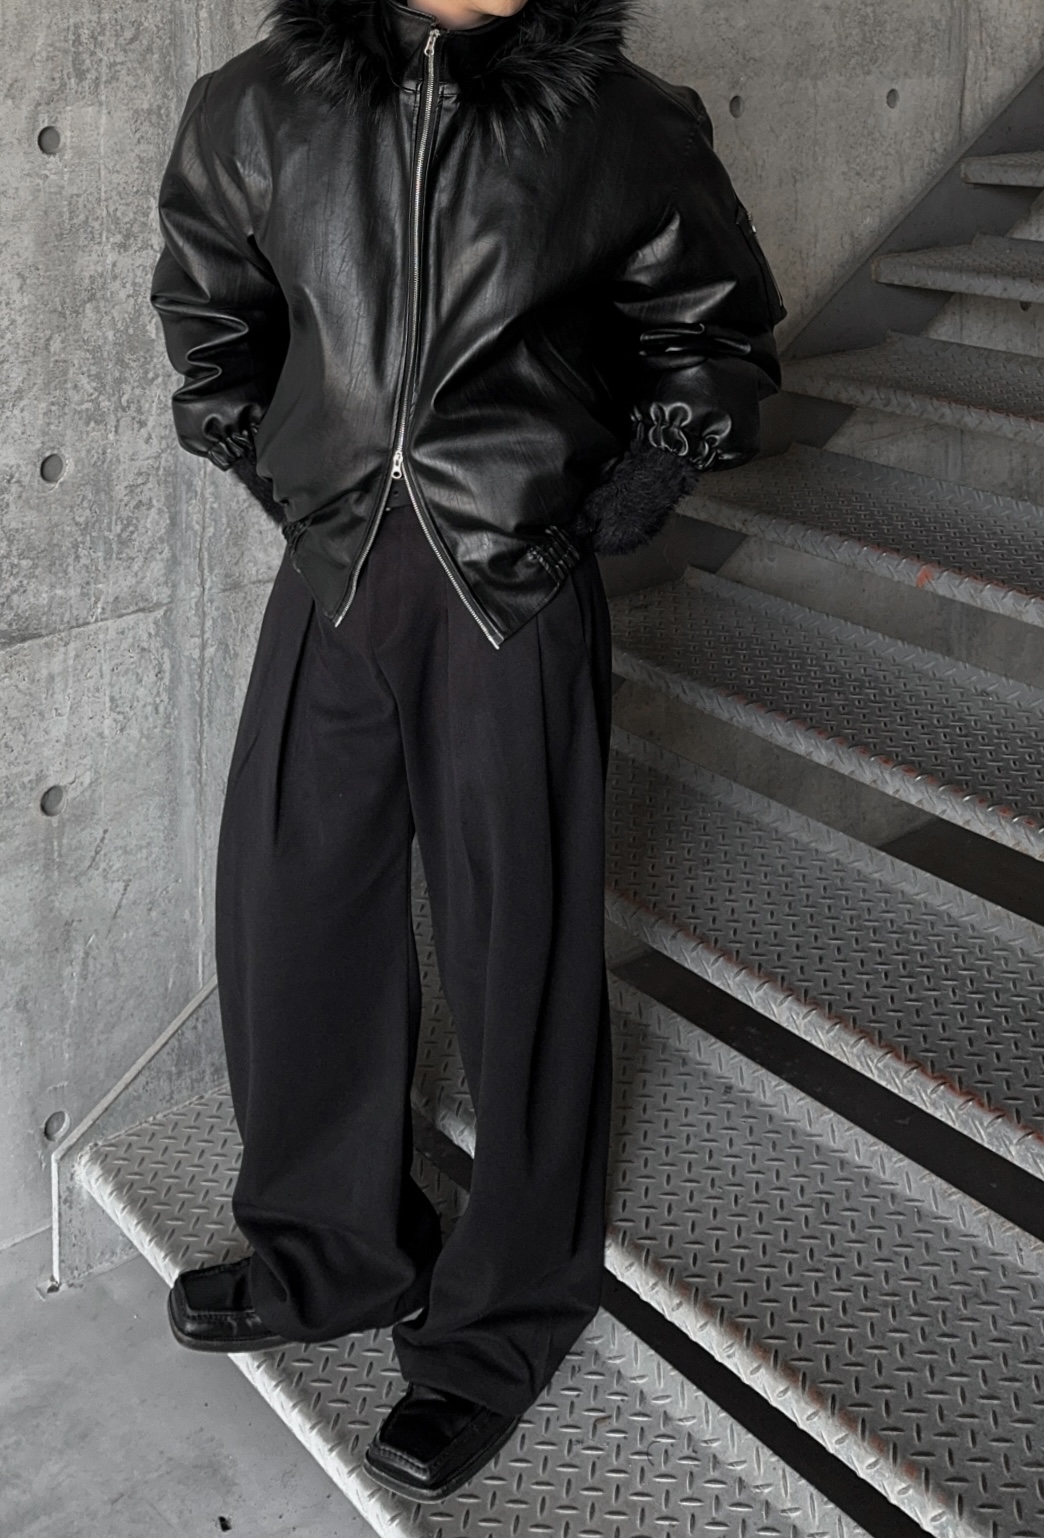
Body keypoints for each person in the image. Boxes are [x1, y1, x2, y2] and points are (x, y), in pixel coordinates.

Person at [149, 0, 785, 1503]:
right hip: (335, 578)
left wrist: (611, 506)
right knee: (293, 915)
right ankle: (329, 1254)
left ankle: (500, 1325)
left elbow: (714, 335)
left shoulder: (621, 123)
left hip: (516, 590)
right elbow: (212, 314)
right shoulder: (258, 104)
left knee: (523, 955)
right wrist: (298, 492)